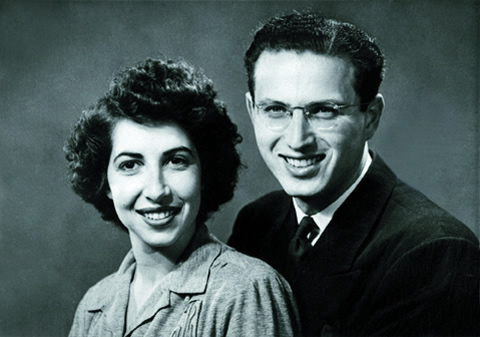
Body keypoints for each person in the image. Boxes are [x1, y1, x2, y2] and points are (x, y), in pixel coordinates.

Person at [228, 11, 480, 337]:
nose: (296, 139)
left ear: (370, 117)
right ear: (252, 110)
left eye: (324, 111)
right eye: (276, 109)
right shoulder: (257, 223)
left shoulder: (436, 253)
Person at [64, 57, 300, 337]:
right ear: (106, 184)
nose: (156, 190)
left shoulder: (246, 290)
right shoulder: (95, 304)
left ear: (205, 174)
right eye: (130, 165)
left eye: (176, 161)